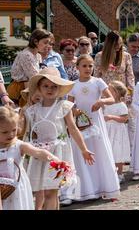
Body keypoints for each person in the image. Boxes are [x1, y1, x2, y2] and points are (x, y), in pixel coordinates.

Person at [25, 67, 95, 209]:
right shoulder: (32, 110)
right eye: (46, 86)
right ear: (39, 88)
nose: (50, 89)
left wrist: (84, 149)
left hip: (58, 153)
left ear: (59, 89)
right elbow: (28, 133)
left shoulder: (64, 107)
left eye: (54, 86)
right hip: (40, 155)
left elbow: (73, 129)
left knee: (52, 191)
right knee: (42, 191)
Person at [66, 55, 120, 203]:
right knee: (82, 154)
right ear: (77, 67)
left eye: (90, 66)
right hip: (80, 124)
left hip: (96, 122)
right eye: (84, 66)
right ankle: (86, 189)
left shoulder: (98, 82)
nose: (88, 69)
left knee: (99, 152)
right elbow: (69, 106)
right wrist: (75, 110)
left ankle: (104, 186)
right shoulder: (73, 85)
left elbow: (112, 99)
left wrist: (101, 101)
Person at [0, 106, 62, 210]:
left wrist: (54, 159)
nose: (11, 134)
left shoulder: (19, 146)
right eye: (5, 132)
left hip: (17, 186)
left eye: (14, 130)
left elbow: (38, 152)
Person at [8, 29, 52, 107]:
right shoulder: (26, 55)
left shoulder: (38, 55)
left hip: (32, 87)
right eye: (45, 42)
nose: (48, 46)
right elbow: (35, 76)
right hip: (20, 90)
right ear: (35, 41)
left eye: (49, 43)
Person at [104, 81, 130, 184]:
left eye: (110, 91)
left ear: (117, 93)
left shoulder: (121, 105)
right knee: (110, 151)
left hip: (117, 131)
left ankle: (120, 173)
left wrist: (111, 117)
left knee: (118, 151)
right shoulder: (105, 104)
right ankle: (110, 173)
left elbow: (124, 119)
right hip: (108, 130)